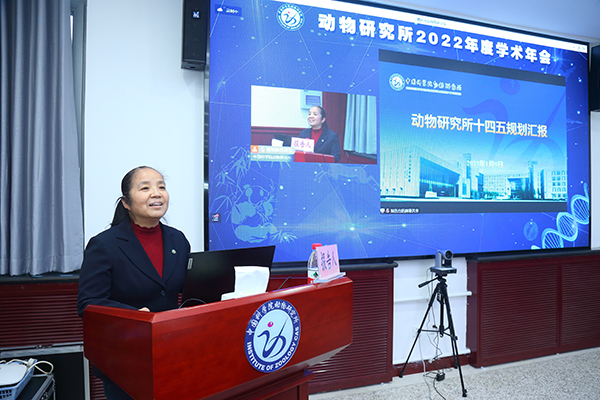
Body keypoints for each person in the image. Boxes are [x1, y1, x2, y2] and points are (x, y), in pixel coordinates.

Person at [77, 166, 191, 400]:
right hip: (125, 357)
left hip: (171, 350)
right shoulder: (104, 245)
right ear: (126, 203)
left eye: (161, 187)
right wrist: (135, 316)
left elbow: (186, 291)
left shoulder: (177, 239)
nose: (156, 193)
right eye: (145, 188)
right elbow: (88, 303)